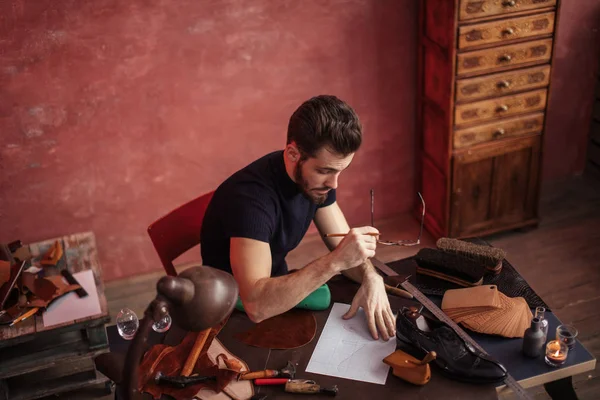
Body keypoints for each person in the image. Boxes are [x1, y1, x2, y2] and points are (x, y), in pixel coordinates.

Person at [200, 95, 395, 341]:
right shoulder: (250, 202)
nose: (334, 183)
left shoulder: (315, 181)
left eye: (339, 171)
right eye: (325, 171)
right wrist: (334, 263)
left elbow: (346, 247)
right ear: (293, 154)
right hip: (230, 311)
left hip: (276, 287)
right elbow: (257, 306)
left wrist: (371, 277)